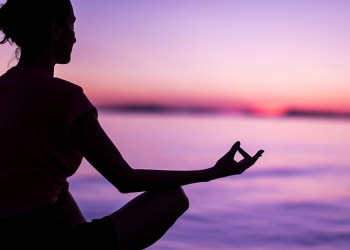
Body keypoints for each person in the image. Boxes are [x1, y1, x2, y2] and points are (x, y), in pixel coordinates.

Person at [0, 0, 264, 249]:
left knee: (61, 190)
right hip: (45, 236)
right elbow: (125, 179)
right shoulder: (65, 97)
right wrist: (213, 172)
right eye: (72, 25)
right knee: (173, 198)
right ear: (55, 29)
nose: (75, 36)